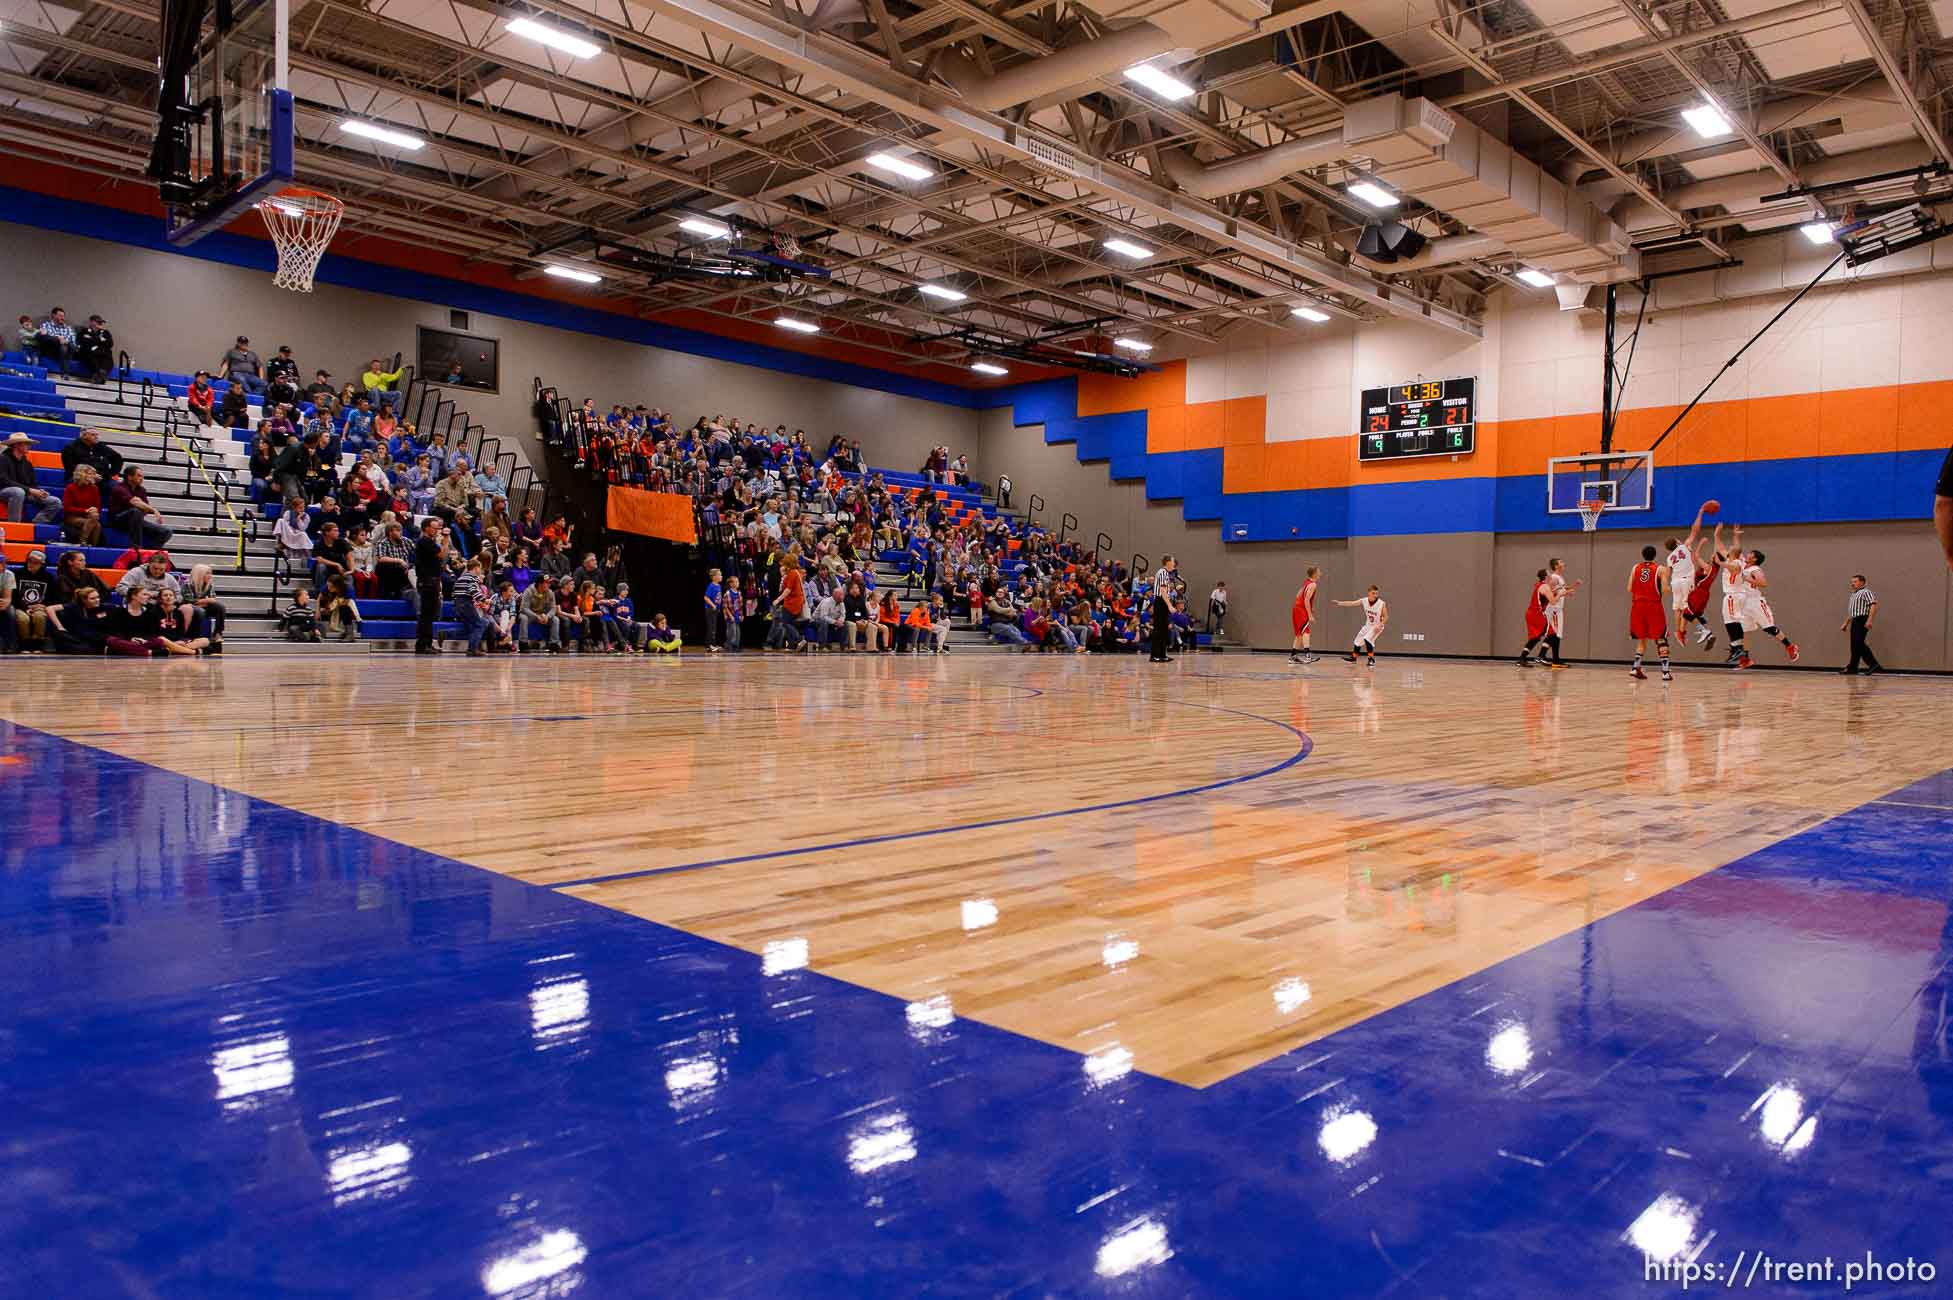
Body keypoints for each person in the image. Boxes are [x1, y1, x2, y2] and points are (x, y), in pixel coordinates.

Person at [1721, 526, 1799, 670]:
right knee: (1743, 630)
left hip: (1755, 602)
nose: (1747, 554)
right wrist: (1736, 535)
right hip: (1742, 601)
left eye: (1750, 554)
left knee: (1769, 628)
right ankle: (1745, 659)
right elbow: (1736, 550)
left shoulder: (1755, 569)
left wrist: (1746, 578)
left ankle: (1790, 646)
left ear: (1755, 558)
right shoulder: (1742, 563)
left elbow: (1763, 583)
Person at [1665, 503, 1719, 651]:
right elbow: (1695, 529)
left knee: (1677, 609)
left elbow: (1667, 573)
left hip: (1674, 582)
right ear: (1677, 542)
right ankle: (1702, 630)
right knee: (1687, 608)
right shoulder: (1685, 546)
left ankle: (1679, 633)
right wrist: (1700, 513)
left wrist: (1666, 585)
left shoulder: (1669, 558)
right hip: (1686, 581)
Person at [1627, 545, 1671, 682]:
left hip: (1637, 606)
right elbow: (1665, 590)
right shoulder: (1661, 569)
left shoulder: (1635, 568)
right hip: (1653, 606)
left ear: (1642, 554)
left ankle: (1635, 667)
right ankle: (1665, 672)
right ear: (1655, 555)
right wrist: (1672, 585)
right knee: (1661, 638)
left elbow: (1629, 588)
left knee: (1642, 638)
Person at [1, 432, 62, 525]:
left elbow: (32, 483)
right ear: (17, 445)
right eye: (27, 444)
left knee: (55, 501)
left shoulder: (27, 464)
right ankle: (13, 525)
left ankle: (37, 524)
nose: (29, 446)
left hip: (25, 492)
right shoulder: (2, 459)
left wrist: (39, 491)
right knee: (17, 492)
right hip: (3, 490)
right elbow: (4, 480)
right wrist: (30, 490)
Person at [107, 466, 172, 546]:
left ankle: (150, 555)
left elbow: (145, 509)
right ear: (129, 477)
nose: (142, 478)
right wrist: (153, 510)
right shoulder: (119, 488)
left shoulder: (141, 490)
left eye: (142, 476)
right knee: (135, 511)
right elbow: (134, 502)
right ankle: (136, 547)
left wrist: (142, 505)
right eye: (139, 476)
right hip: (118, 520)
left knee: (166, 531)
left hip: (136, 520)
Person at [412, 517, 445, 654]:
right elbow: (442, 554)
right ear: (426, 527)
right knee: (426, 614)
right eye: (434, 527)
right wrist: (446, 539)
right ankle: (422, 644)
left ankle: (427, 642)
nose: (437, 530)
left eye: (438, 528)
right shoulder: (424, 541)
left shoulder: (430, 542)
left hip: (433, 580)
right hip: (426, 581)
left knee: (430, 614)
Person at [46, 585, 111, 654]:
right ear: (84, 600)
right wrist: (60, 627)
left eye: (98, 597)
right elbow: (49, 608)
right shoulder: (74, 606)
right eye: (93, 598)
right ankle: (98, 650)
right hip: (75, 637)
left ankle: (95, 649)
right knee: (61, 636)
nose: (97, 600)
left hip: (90, 638)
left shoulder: (102, 607)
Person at [1335, 585, 1387, 667]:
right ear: (1369, 593)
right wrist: (1340, 603)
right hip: (1368, 625)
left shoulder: (1381, 603)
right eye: (1373, 593)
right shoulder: (1364, 600)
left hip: (1377, 626)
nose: (1375, 595)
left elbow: (1386, 616)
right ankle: (1354, 657)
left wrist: (1380, 625)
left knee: (1367, 639)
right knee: (1358, 640)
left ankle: (1371, 659)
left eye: (1376, 593)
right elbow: (1352, 603)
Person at [1841, 574, 1882, 675]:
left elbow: (1873, 605)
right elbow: (1853, 611)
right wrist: (1846, 622)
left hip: (1862, 619)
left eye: (1855, 581)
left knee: (1858, 643)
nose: (1852, 584)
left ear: (1862, 582)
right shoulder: (1854, 594)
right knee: (1854, 644)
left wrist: (1870, 620)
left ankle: (1874, 664)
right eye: (1852, 582)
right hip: (1855, 620)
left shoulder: (1866, 592)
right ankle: (1853, 667)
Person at [1148, 555, 1178, 663]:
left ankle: (1162, 654)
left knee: (1164, 630)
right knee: (1158, 629)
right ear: (1168, 562)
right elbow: (1163, 591)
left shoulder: (1167, 574)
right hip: (1161, 602)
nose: (1174, 563)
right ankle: (1154, 655)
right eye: (1173, 561)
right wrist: (1169, 605)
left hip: (1163, 602)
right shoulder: (1162, 572)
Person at [1289, 567, 1319, 665]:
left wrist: (1310, 607)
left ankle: (1293, 656)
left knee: (1299, 635)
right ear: (1314, 574)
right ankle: (1308, 655)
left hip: (1296, 608)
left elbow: (1298, 595)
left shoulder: (1306, 582)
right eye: (1319, 572)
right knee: (1306, 631)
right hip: (1301, 610)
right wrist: (1310, 614)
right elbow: (1306, 600)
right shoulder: (1313, 584)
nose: (1320, 573)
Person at [34, 307, 76, 372]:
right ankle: (65, 372)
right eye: (60, 316)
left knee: (66, 347)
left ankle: (64, 372)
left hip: (66, 349)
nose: (62, 318)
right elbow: (43, 337)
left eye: (63, 316)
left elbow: (73, 341)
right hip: (51, 349)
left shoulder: (68, 328)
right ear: (53, 315)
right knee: (62, 346)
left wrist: (65, 341)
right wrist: (58, 339)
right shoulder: (46, 325)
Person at [75, 314, 113, 384]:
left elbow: (110, 344)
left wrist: (97, 340)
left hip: (101, 353)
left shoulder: (105, 332)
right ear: (91, 322)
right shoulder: (85, 331)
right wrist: (100, 341)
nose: (100, 323)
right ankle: (98, 375)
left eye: (100, 322)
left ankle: (102, 373)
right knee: (91, 354)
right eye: (97, 322)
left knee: (108, 354)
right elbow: (85, 342)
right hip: (89, 352)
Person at [702, 566, 723, 651]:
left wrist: (718, 607)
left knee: (714, 628)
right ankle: (709, 645)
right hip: (710, 609)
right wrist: (713, 605)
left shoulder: (719, 586)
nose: (721, 576)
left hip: (715, 610)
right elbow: (706, 597)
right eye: (720, 575)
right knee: (711, 627)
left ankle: (713, 644)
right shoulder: (711, 586)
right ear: (714, 577)